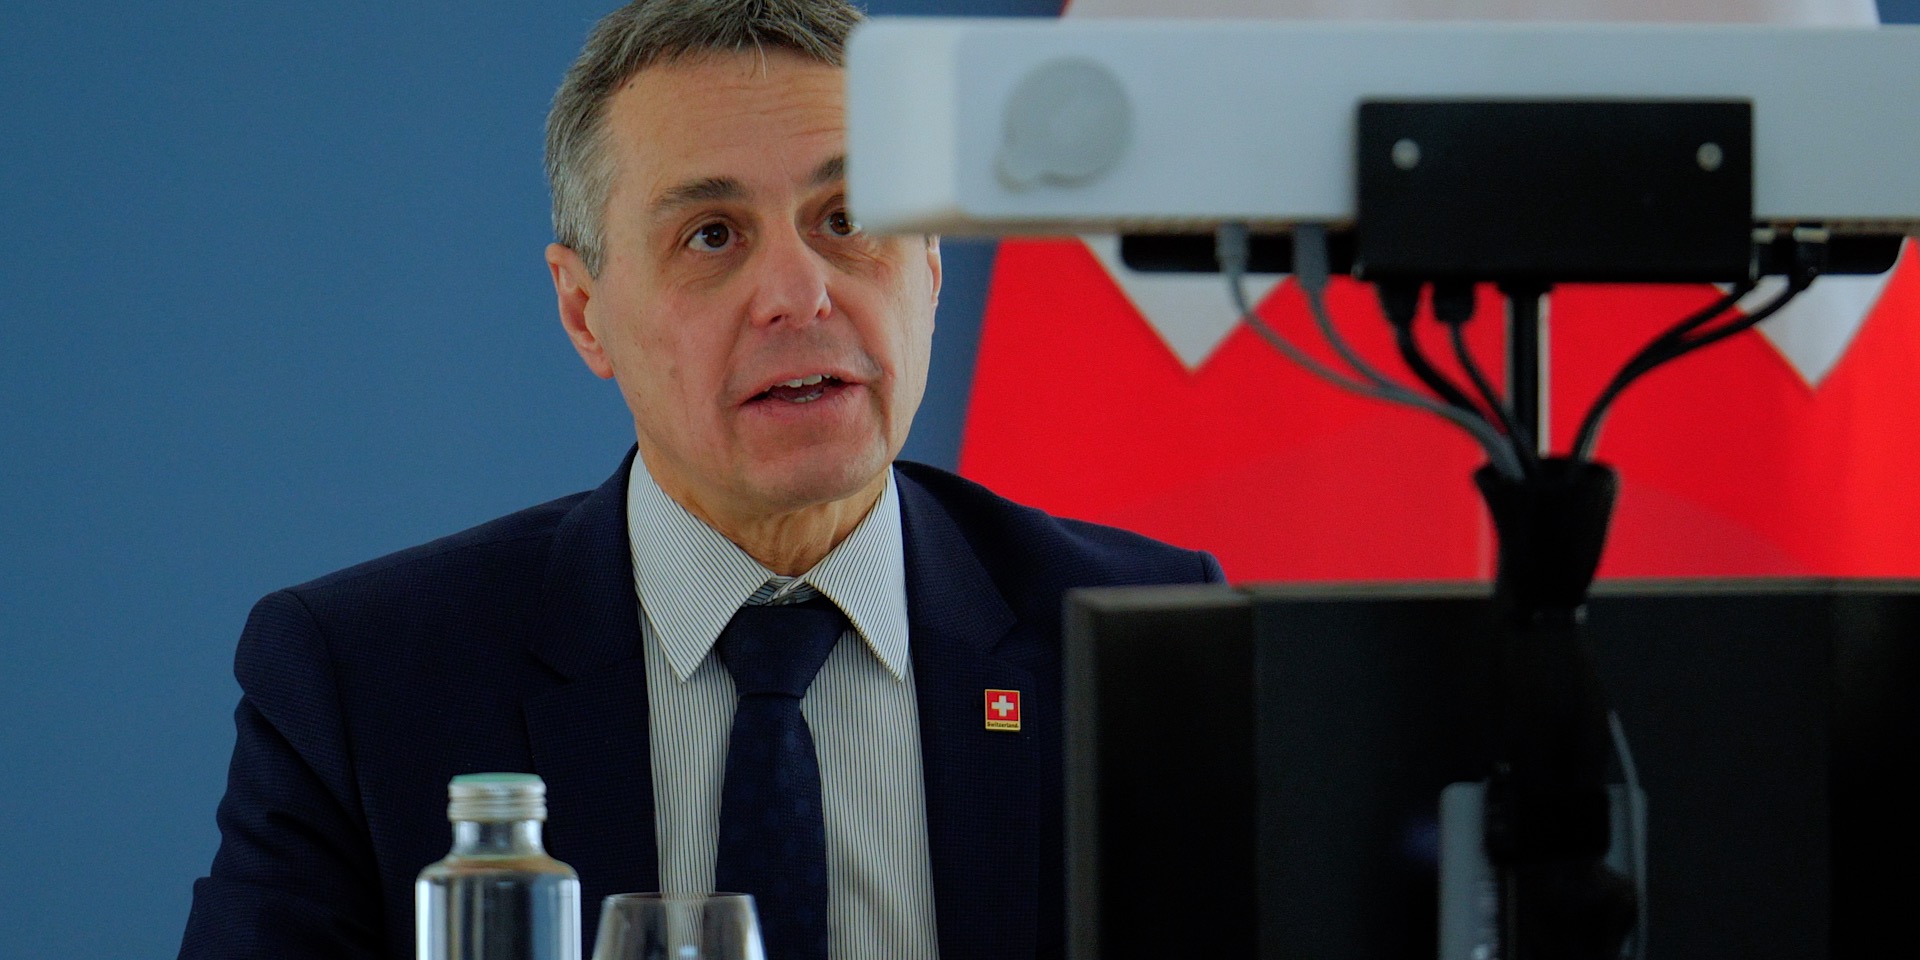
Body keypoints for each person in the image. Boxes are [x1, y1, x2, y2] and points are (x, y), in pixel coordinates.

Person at [177, 2, 1224, 959]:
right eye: (712, 236)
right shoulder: (366, 682)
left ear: (932, 267)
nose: (798, 292)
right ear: (584, 312)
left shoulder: (1141, 642)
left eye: (849, 219)